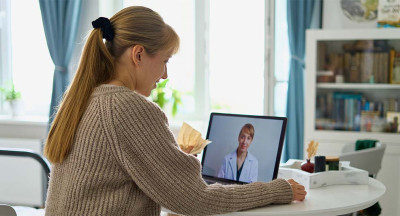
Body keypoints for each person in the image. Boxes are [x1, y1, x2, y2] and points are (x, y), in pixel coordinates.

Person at [44, 6, 307, 216]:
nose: (165, 74)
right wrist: (277, 190)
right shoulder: (128, 108)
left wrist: (171, 162)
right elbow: (197, 201)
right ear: (138, 55)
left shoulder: (83, 99)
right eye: (165, 61)